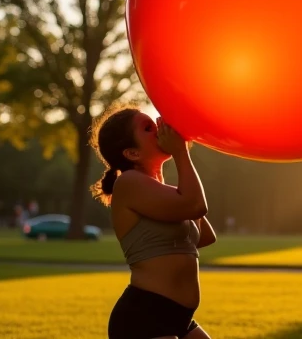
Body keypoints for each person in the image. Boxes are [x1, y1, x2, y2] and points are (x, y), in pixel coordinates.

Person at [89, 102, 216, 339]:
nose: (159, 128)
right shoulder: (128, 183)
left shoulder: (160, 192)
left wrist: (175, 169)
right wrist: (180, 153)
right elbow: (196, 205)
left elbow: (206, 237)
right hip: (144, 316)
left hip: (180, 317)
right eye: (148, 128)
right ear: (132, 153)